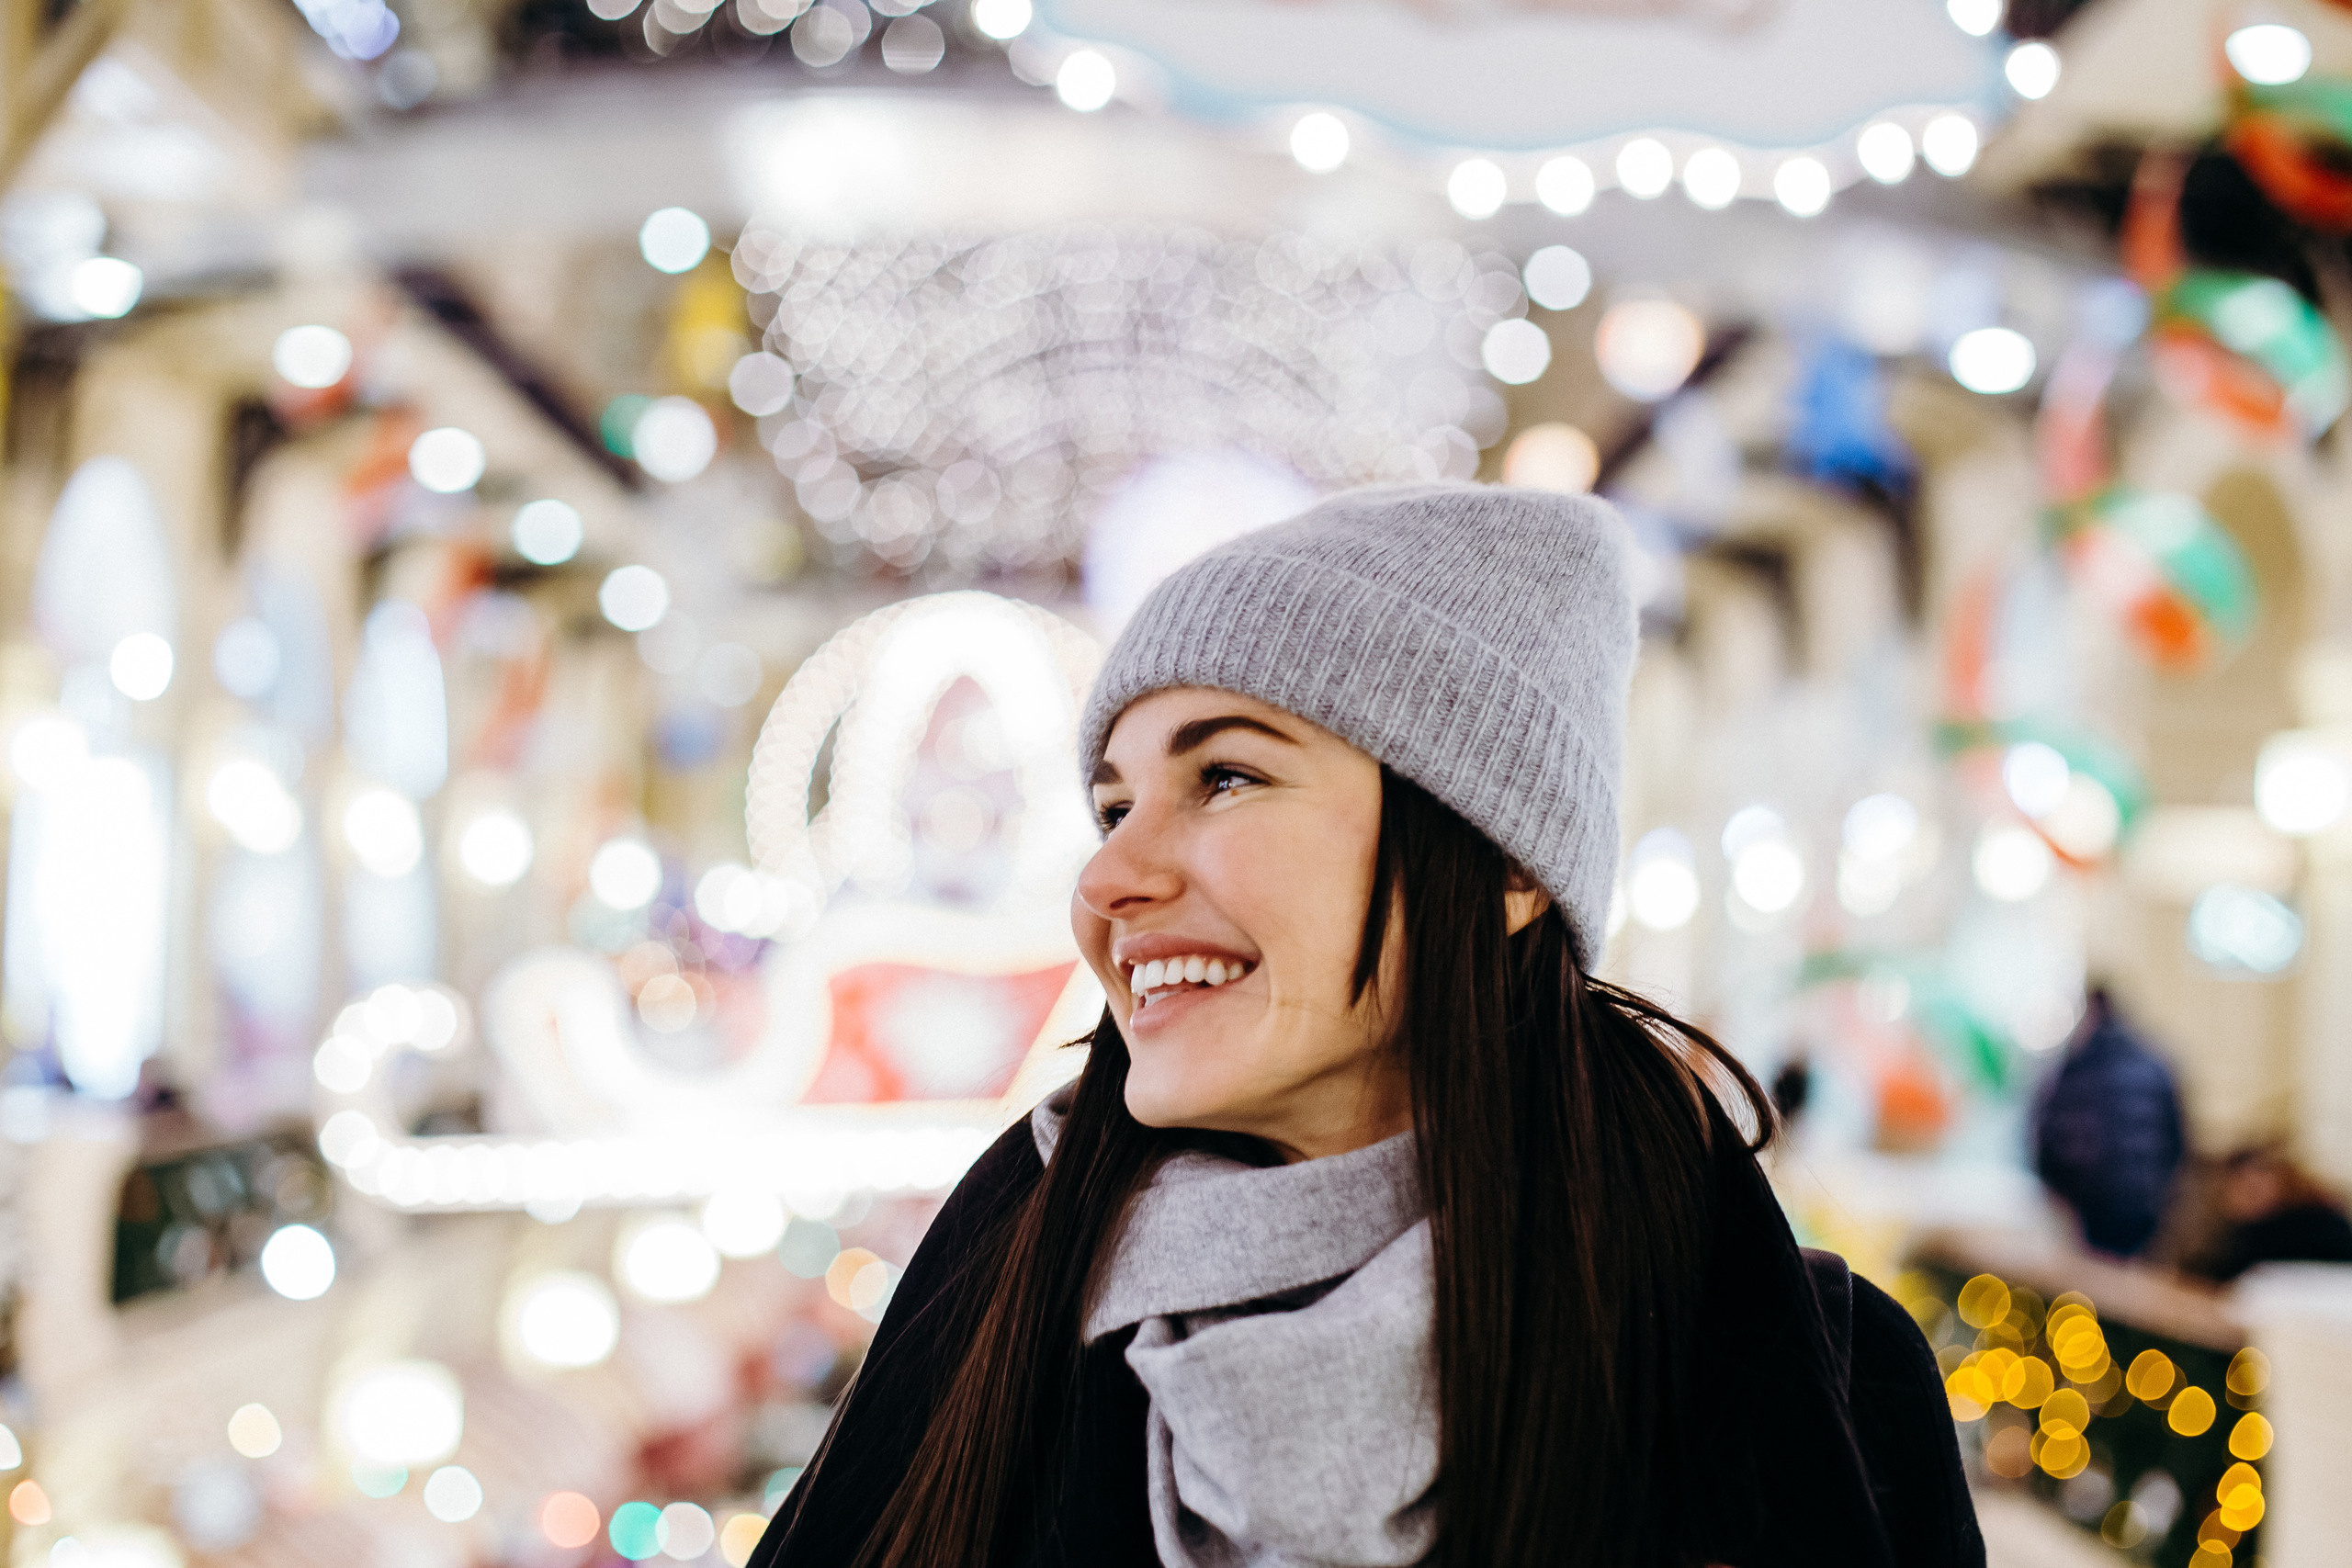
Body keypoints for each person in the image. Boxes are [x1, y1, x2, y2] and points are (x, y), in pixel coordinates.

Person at [752, 484, 1980, 1568]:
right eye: (1112, 804)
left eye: (1224, 775)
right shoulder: (1006, 1265)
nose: (1106, 880)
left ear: (1503, 862)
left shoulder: (1807, 1372)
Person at [2031, 987, 2185, 1258]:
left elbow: (2045, 1135)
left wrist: (2058, 1190)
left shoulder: (2074, 1066)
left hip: (2091, 1209)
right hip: (2144, 1207)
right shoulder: (2155, 1062)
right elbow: (2177, 1139)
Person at [2199, 1145, 2352, 1282]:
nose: (2253, 1191)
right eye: (2243, 1189)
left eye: (2256, 1184)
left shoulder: (2316, 1222)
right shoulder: (2237, 1238)